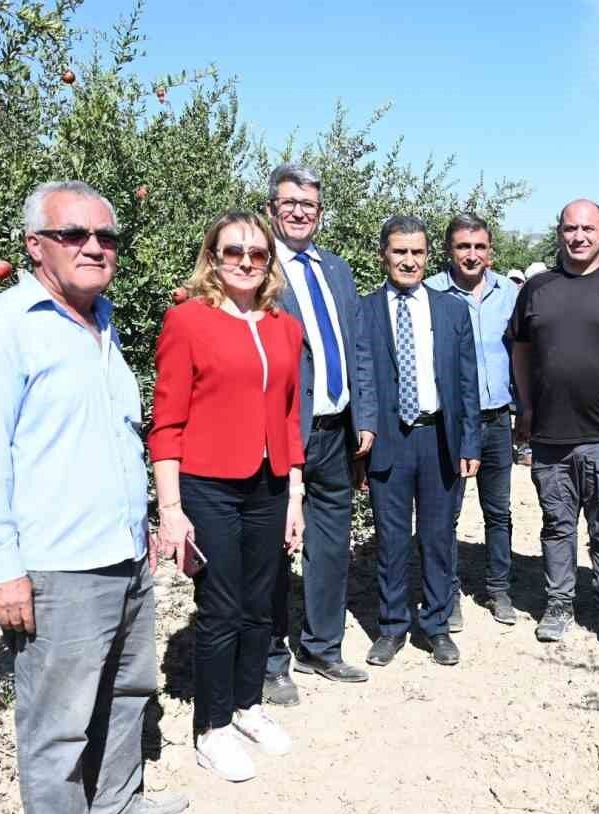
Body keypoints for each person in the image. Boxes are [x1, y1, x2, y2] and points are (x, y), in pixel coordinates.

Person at [0, 180, 187, 814]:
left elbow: (111, 439)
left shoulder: (102, 322)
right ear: (35, 246)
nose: (94, 247)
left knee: (129, 688)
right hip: (57, 561)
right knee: (57, 715)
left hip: (122, 549)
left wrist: (145, 523)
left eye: (106, 237)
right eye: (74, 234)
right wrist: (0, 565)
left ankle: (114, 801)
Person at [149, 212, 303, 782]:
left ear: (269, 262)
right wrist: (171, 510)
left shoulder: (284, 327)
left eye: (257, 253)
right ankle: (212, 728)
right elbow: (166, 423)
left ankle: (247, 705)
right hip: (209, 484)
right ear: (212, 257)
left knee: (263, 603)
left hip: (269, 483)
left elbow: (289, 416)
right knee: (221, 607)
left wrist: (294, 495)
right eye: (233, 251)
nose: (245, 261)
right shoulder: (188, 321)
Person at [511, 199, 599, 646]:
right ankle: (559, 605)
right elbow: (520, 348)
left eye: (588, 228)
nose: (579, 236)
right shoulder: (536, 289)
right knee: (557, 526)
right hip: (550, 434)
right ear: (559, 233)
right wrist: (525, 405)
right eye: (570, 228)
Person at [266, 163, 376, 693]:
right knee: (271, 548)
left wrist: (365, 417)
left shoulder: (336, 269)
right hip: (281, 430)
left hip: (335, 431)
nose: (299, 212)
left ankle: (321, 648)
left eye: (308, 204)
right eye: (289, 202)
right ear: (271, 208)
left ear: (320, 212)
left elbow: (358, 346)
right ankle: (269, 660)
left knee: (331, 546)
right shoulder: (258, 267)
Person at [357, 216, 481, 667]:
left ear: (429, 256)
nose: (409, 261)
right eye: (400, 252)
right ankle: (392, 626)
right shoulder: (365, 310)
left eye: (417, 252)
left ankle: (437, 625)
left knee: (437, 537)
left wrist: (470, 443)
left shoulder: (451, 310)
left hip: (439, 439)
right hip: (389, 439)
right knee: (391, 540)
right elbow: (361, 378)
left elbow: (467, 382)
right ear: (383, 255)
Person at [423, 215, 519, 628]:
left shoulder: (509, 293)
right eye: (463, 246)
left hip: (497, 420)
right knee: (447, 512)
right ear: (449, 250)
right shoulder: (431, 293)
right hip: (451, 424)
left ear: (490, 251)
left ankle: (499, 589)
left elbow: (521, 352)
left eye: (480, 246)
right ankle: (447, 592)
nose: (472, 254)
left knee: (498, 511)